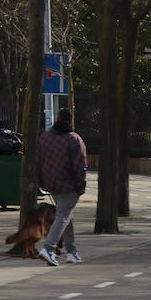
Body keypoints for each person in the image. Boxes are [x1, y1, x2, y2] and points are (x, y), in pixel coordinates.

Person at [36, 108, 88, 266]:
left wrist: (41, 181)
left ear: (57, 119)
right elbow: (80, 165)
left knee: (66, 215)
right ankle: (48, 249)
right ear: (71, 121)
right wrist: (81, 185)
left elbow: (38, 161)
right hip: (69, 185)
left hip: (51, 183)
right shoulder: (74, 139)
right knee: (63, 216)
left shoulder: (45, 137)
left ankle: (71, 252)